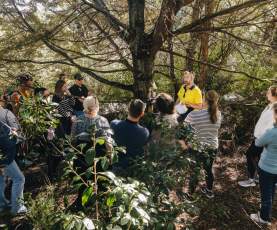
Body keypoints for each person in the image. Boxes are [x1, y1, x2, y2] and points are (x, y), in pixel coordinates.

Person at [184, 90, 222, 198]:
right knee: (208, 169)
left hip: (196, 147)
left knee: (195, 170)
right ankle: (209, 191)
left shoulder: (194, 114)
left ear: (204, 100)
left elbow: (184, 129)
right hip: (212, 146)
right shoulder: (218, 114)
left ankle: (190, 194)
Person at [238, 86, 277, 187]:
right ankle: (260, 177)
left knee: (250, 154)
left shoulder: (275, 108)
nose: (266, 94)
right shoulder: (269, 106)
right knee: (258, 157)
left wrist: (263, 138)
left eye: (268, 92)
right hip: (259, 137)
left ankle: (251, 180)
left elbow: (271, 124)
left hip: (263, 138)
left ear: (274, 95)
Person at [250, 103, 277, 225]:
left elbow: (258, 143)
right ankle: (267, 210)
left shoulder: (272, 132)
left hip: (267, 168)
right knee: (271, 190)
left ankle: (264, 217)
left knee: (266, 192)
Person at [0, 96, 27, 215]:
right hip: (5, 154)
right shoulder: (6, 113)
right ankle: (17, 207)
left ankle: (2, 204)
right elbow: (17, 131)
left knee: (1, 179)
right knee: (19, 178)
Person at [111, 99, 149, 169]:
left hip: (116, 166)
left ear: (128, 109)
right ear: (142, 114)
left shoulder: (114, 124)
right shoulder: (144, 132)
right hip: (133, 169)